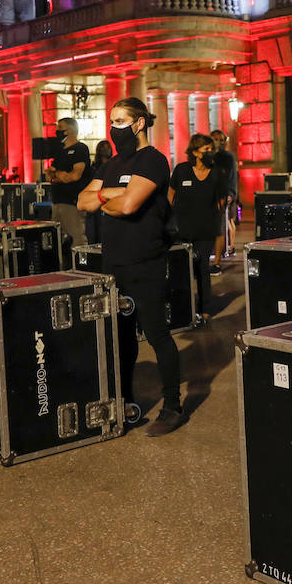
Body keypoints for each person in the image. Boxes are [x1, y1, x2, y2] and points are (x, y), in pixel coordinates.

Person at [78, 97, 187, 437]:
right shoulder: (110, 163)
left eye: (121, 121)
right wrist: (112, 195)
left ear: (139, 124)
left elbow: (129, 206)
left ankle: (172, 406)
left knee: (156, 334)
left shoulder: (153, 160)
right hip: (113, 264)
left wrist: (107, 199)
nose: (114, 128)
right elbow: (83, 200)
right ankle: (126, 404)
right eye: (112, 121)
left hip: (146, 261)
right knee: (121, 339)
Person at [169, 133, 223, 322]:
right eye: (206, 150)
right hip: (181, 230)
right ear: (195, 152)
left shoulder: (216, 172)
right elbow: (170, 195)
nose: (210, 153)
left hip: (205, 230)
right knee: (182, 271)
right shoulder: (182, 170)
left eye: (211, 149)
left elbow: (221, 200)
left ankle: (205, 308)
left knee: (202, 270)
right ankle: (183, 309)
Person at [45, 117, 91, 248]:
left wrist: (57, 174)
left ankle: (80, 266)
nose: (57, 131)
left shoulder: (80, 149)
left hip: (72, 202)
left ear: (69, 130)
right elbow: (49, 175)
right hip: (57, 201)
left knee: (76, 239)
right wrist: (60, 175)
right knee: (57, 240)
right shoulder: (60, 151)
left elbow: (75, 176)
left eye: (60, 128)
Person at [210, 129, 238, 264]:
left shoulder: (228, 156)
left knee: (229, 221)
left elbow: (231, 176)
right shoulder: (210, 156)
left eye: (221, 140)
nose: (219, 143)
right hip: (215, 194)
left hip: (227, 192)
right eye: (216, 139)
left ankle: (230, 246)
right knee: (224, 222)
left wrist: (231, 194)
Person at [83, 140, 113, 244]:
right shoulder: (93, 168)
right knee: (93, 231)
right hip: (95, 201)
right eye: (103, 148)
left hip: (109, 200)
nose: (106, 150)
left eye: (108, 147)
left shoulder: (114, 166)